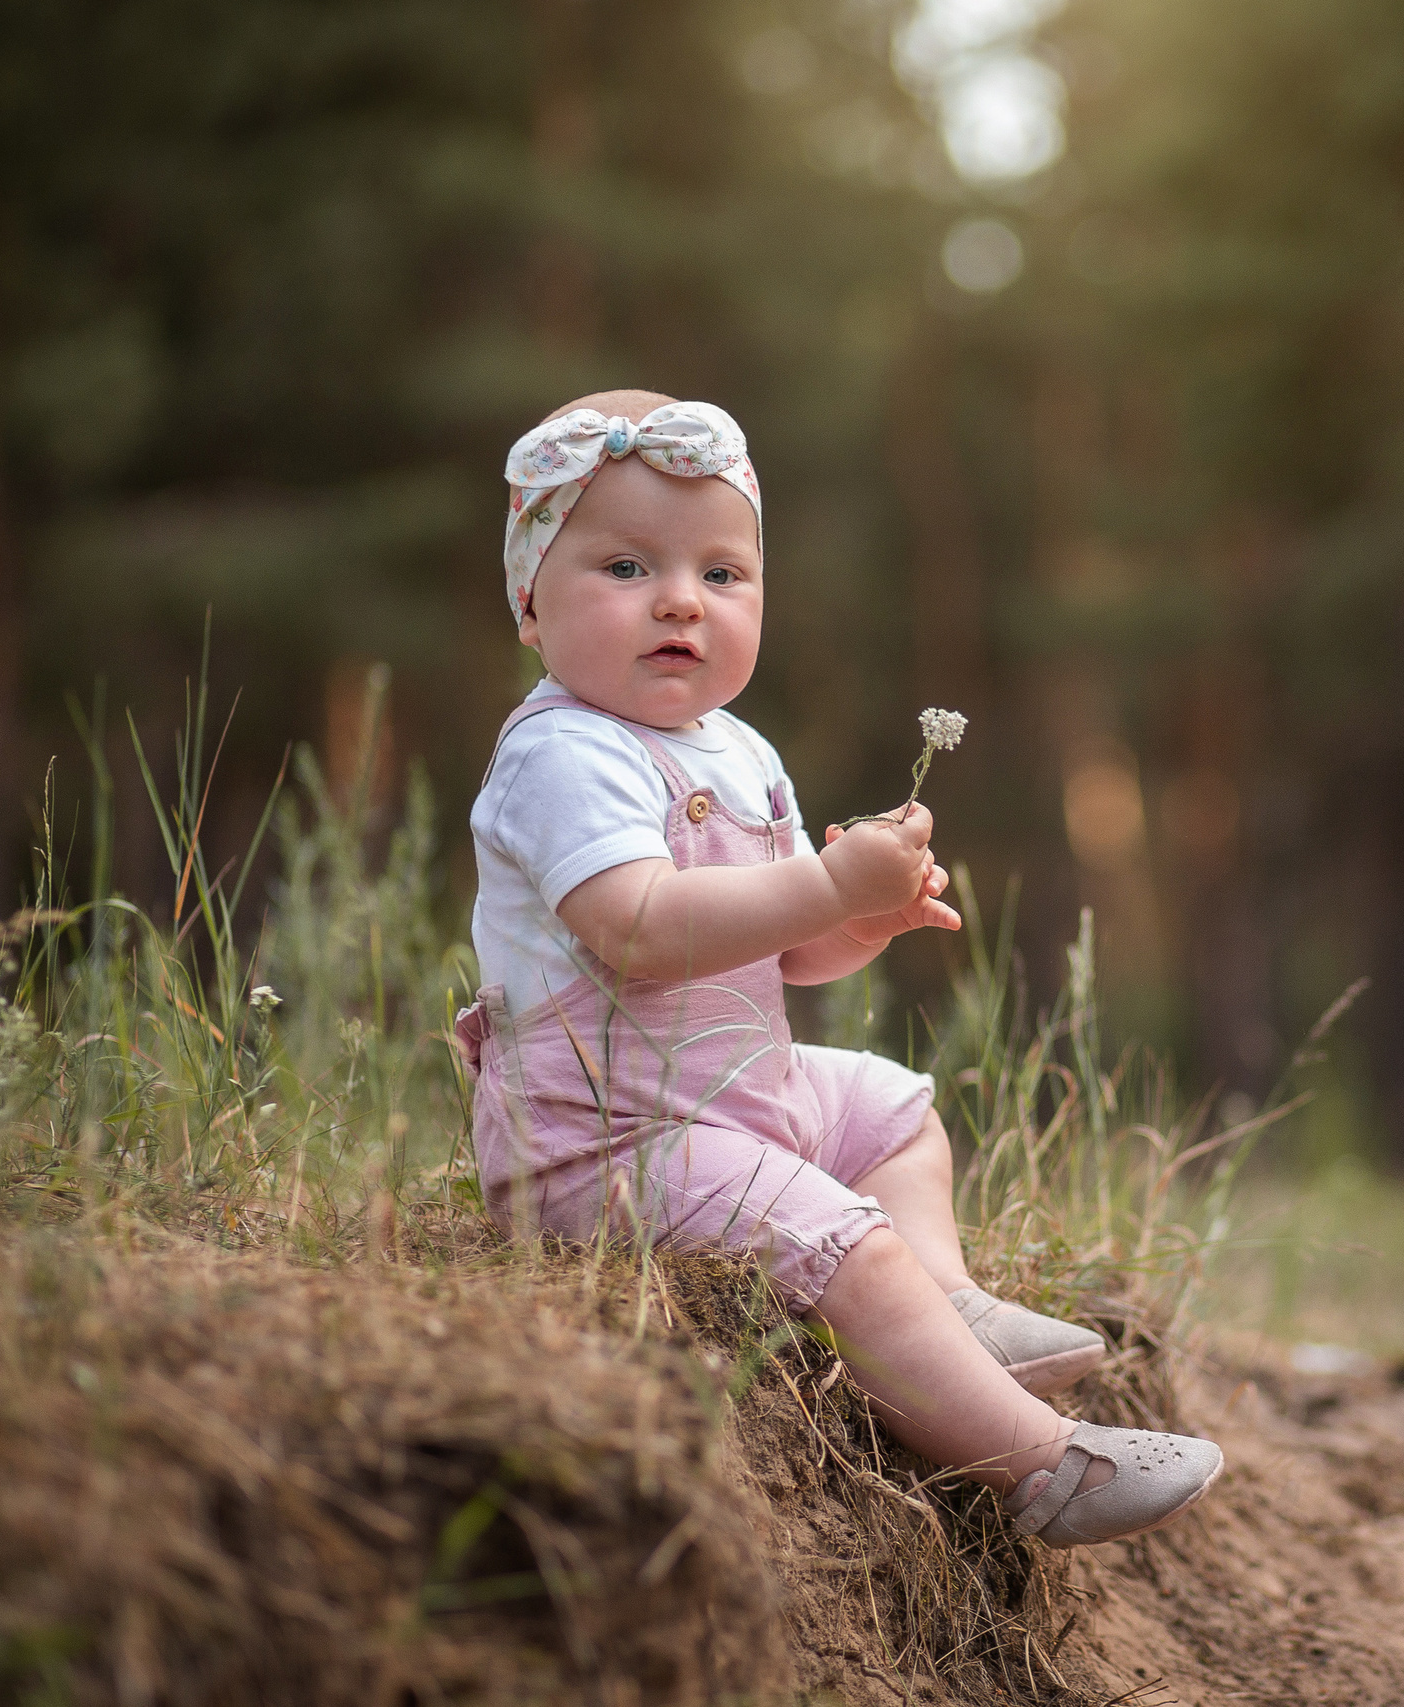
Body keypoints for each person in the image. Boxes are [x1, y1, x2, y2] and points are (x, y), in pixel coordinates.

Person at [454, 389, 1223, 1548]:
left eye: (722, 573)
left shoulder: (739, 750)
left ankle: (947, 1303)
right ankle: (1041, 1465)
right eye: (624, 567)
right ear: (529, 599)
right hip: (605, 1143)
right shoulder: (563, 751)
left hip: (729, 1099)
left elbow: (787, 950)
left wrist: (863, 918)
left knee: (891, 1110)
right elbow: (641, 930)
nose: (680, 599)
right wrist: (825, 884)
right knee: (837, 1238)